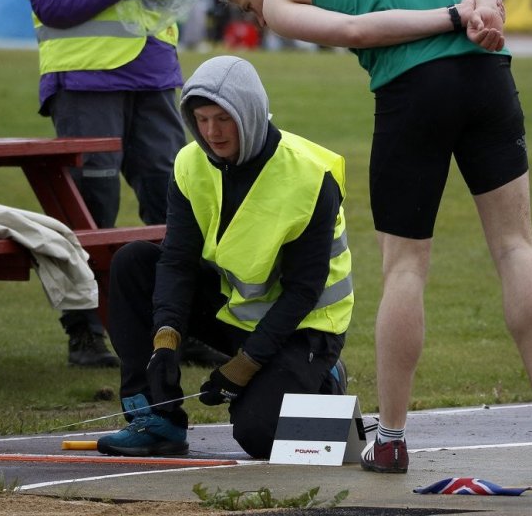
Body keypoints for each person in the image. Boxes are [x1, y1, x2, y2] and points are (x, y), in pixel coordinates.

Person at [216, 0, 532, 477]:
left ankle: (390, 439)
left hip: (414, 91)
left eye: (248, 4)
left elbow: (362, 32)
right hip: (489, 77)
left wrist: (453, 16)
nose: (257, 18)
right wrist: (484, 12)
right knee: (516, 247)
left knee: (405, 267)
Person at [17, 0, 218, 370]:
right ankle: (83, 329)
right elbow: (51, 4)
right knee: (90, 207)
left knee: (170, 202)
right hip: (87, 78)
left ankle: (178, 325)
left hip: (153, 71)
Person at [97, 55, 354, 459]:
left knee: (259, 435)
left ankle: (324, 380)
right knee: (133, 262)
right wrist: (165, 342)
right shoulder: (189, 164)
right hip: (237, 312)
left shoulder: (311, 176)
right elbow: (177, 262)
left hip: (304, 326)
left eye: (223, 119)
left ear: (249, 114)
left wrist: (245, 367)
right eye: (201, 119)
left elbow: (304, 291)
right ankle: (155, 419)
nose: (211, 132)